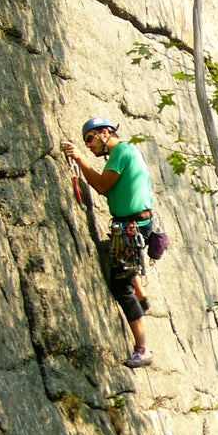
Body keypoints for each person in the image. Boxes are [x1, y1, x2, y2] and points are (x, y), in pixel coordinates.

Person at [62, 117, 155, 368]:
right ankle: (142, 295)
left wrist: (80, 159)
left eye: (90, 139)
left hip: (131, 227)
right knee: (123, 265)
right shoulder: (128, 152)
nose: (89, 146)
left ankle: (142, 349)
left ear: (104, 133)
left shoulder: (121, 151)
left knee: (119, 286)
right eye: (86, 143)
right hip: (133, 225)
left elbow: (103, 186)